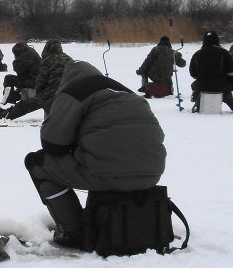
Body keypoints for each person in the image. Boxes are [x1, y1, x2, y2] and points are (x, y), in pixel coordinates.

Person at [24, 61, 167, 246]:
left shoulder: (74, 92)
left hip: (106, 173)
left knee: (38, 164)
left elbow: (52, 143)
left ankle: (72, 231)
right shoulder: (127, 92)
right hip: (151, 174)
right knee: (107, 162)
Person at [0, 39, 71, 121]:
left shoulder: (47, 61)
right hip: (68, 92)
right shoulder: (69, 59)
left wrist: (39, 93)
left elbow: (41, 81)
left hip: (51, 93)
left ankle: (5, 114)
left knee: (27, 104)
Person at [188, 31, 233, 114]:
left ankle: (198, 103)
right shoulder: (224, 53)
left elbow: (193, 73)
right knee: (227, 93)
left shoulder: (197, 54)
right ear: (217, 40)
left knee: (196, 87)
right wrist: (230, 81)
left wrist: (201, 78)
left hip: (202, 86)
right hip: (222, 86)